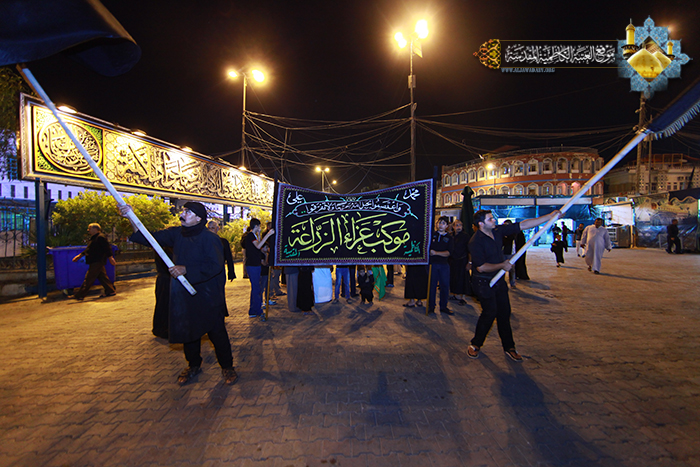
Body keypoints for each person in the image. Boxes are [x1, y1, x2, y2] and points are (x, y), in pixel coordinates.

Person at [119, 202, 237, 386]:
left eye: (188, 212)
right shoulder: (176, 234)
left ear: (198, 218)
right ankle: (193, 365)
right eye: (184, 210)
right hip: (185, 295)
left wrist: (187, 270)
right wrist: (131, 217)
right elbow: (147, 237)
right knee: (189, 331)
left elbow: (214, 266)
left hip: (208, 295)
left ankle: (227, 366)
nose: (183, 214)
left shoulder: (210, 238)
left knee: (216, 332)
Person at [467, 209, 560, 362]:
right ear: (481, 224)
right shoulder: (475, 242)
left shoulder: (497, 231)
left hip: (499, 281)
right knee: (490, 313)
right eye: (490, 219)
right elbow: (481, 267)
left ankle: (509, 347)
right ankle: (475, 344)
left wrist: (550, 216)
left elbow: (523, 225)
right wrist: (502, 265)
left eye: (493, 218)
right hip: (483, 282)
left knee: (504, 314)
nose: (494, 220)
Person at [71, 223, 116, 300]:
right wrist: (80, 256)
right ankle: (110, 291)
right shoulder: (94, 238)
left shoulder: (100, 237)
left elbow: (107, 248)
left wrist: (110, 257)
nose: (88, 230)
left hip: (97, 260)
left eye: (90, 228)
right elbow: (89, 249)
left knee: (89, 278)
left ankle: (80, 295)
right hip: (95, 260)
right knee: (102, 277)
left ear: (95, 229)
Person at [244, 218, 275, 318]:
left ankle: (255, 309)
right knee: (256, 288)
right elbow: (258, 246)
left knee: (257, 287)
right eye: (259, 226)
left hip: (255, 265)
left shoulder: (254, 236)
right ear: (256, 226)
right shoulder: (250, 235)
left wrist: (259, 235)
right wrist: (268, 235)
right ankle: (255, 310)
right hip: (252, 265)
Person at [428, 216, 454, 314]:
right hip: (432, 264)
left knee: (444, 286)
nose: (440, 225)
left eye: (443, 223)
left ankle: (443, 306)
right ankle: (431, 306)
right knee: (432, 286)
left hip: (444, 265)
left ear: (447, 226)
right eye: (439, 223)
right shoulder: (432, 235)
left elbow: (448, 253)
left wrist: (436, 253)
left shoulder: (449, 238)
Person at [449, 219, 470, 304]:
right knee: (454, 278)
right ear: (453, 227)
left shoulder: (465, 236)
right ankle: (455, 294)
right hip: (453, 261)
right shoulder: (451, 236)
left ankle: (463, 298)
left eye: (460, 225)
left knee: (463, 279)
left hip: (463, 260)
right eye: (457, 225)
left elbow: (469, 250)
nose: (458, 227)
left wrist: (469, 262)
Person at [501, 220, 517, 289]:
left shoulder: (513, 233)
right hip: (503, 253)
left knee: (512, 269)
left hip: (511, 253)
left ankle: (512, 283)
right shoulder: (501, 233)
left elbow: (510, 239)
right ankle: (502, 283)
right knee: (502, 268)